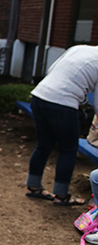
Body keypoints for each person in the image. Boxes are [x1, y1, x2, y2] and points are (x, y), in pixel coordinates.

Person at [25, 45, 98, 206]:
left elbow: (52, 68)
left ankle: (33, 186)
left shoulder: (80, 48)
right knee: (69, 149)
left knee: (43, 145)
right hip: (63, 103)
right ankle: (62, 195)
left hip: (40, 95)